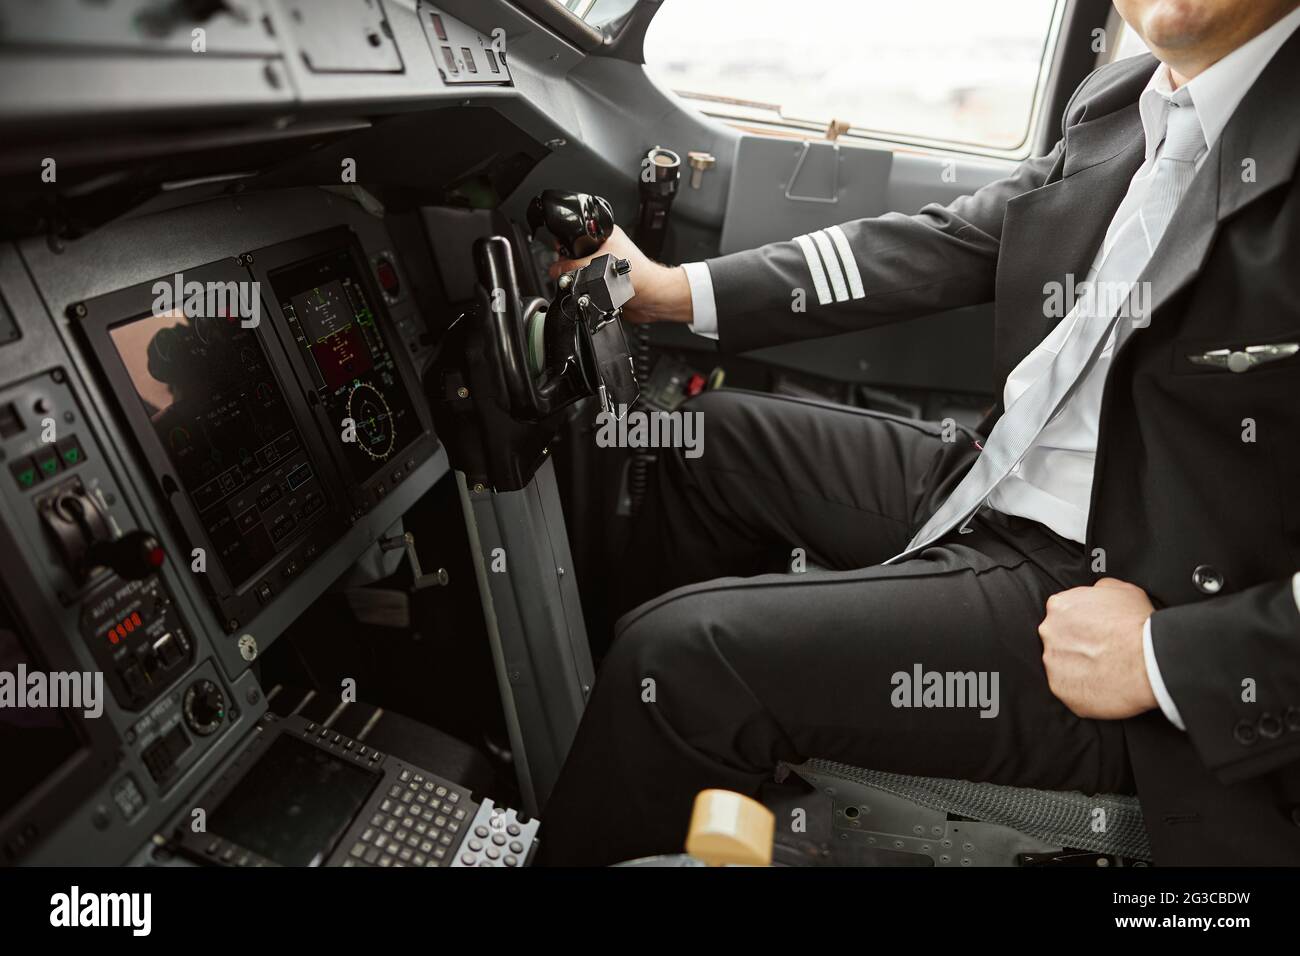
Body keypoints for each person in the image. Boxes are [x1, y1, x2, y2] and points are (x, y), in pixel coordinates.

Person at [540, 0, 1300, 865]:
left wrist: (1169, 655)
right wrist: (677, 291)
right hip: (999, 482)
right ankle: (652, 775)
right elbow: (947, 241)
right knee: (687, 445)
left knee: (675, 658)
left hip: (1137, 596)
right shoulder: (1130, 100)